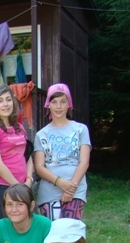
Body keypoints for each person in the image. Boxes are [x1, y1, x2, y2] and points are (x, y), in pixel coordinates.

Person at [34, 83, 91, 221]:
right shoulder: (41, 134)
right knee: (53, 232)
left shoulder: (81, 129)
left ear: (69, 104)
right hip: (49, 193)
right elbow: (39, 167)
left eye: (63, 102)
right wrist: (60, 182)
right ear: (48, 105)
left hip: (75, 190)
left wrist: (70, 189)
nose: (58, 106)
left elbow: (84, 162)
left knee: (70, 231)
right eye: (54, 102)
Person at [0, 84, 34, 221]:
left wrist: (29, 180)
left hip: (23, 186)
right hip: (2, 188)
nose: (5, 104)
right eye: (0, 101)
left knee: (26, 226)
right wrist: (17, 186)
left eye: (8, 99)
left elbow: (28, 156)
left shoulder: (20, 128)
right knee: (6, 229)